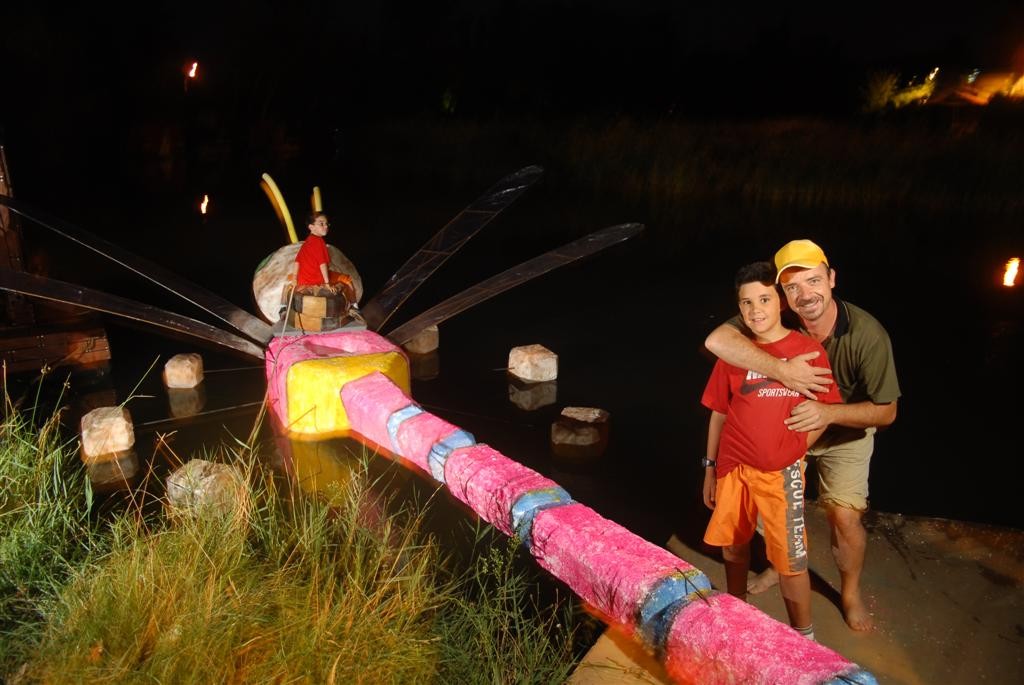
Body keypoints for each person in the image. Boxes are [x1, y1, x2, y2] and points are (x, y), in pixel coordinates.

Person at [704, 239, 900, 631]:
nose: (804, 294)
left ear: (831, 279)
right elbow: (717, 343)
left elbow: (886, 412)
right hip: (784, 434)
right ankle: (777, 564)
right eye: (792, 287)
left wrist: (827, 412)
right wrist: (784, 372)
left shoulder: (866, 334)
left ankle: (849, 593)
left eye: (813, 281)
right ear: (783, 296)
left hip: (845, 429)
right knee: (767, 518)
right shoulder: (767, 317)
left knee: (844, 516)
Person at [701, 261, 842, 641]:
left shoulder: (807, 350)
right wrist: (710, 468)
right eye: (746, 303)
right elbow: (718, 413)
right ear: (738, 307)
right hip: (732, 469)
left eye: (764, 299)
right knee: (734, 548)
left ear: (780, 301)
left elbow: (825, 411)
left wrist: (794, 449)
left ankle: (804, 637)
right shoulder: (735, 352)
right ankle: (737, 615)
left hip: (780, 475)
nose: (756, 310)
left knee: (790, 560)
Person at [294, 211, 356, 304]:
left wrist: (294, 278)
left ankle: (283, 306)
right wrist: (327, 284)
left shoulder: (307, 242)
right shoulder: (319, 242)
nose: (326, 226)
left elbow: (297, 261)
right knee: (347, 279)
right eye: (321, 224)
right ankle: (354, 306)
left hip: (303, 280)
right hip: (316, 279)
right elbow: (322, 264)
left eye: (327, 224)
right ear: (311, 227)